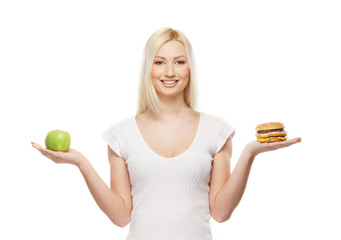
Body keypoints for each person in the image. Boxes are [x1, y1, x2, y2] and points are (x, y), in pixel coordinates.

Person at [31, 27, 301, 240]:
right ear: (148, 68)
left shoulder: (216, 132)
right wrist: (81, 162)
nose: (169, 72)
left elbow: (220, 212)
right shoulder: (121, 135)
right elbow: (121, 216)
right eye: (159, 62)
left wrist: (249, 153)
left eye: (179, 61)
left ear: (189, 68)